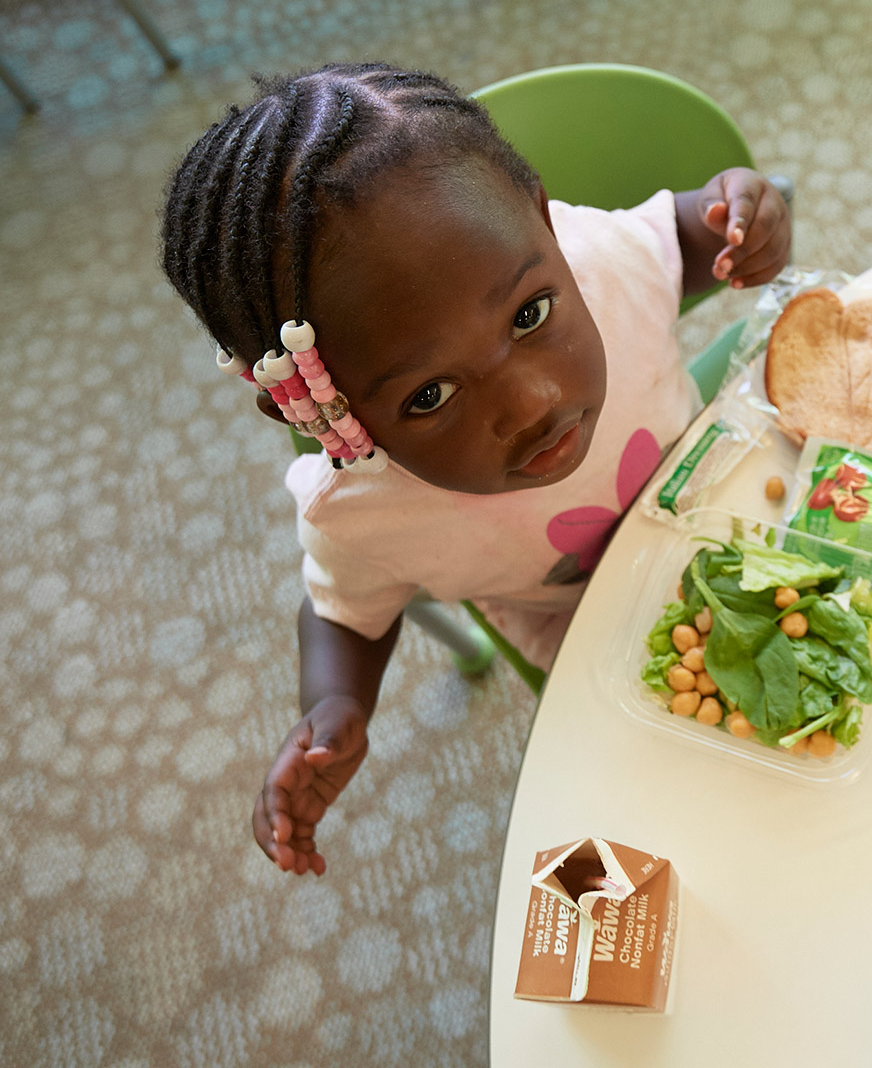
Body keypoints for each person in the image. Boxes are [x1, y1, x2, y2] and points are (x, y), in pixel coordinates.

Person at [160, 63, 791, 876]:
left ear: (544, 224)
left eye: (529, 314)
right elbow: (344, 615)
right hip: (589, 625)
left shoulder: (605, 259)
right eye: (430, 395)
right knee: (720, 820)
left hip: (730, 492)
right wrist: (337, 703)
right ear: (325, 409)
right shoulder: (362, 514)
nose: (531, 404)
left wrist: (750, 214)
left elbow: (707, 233)